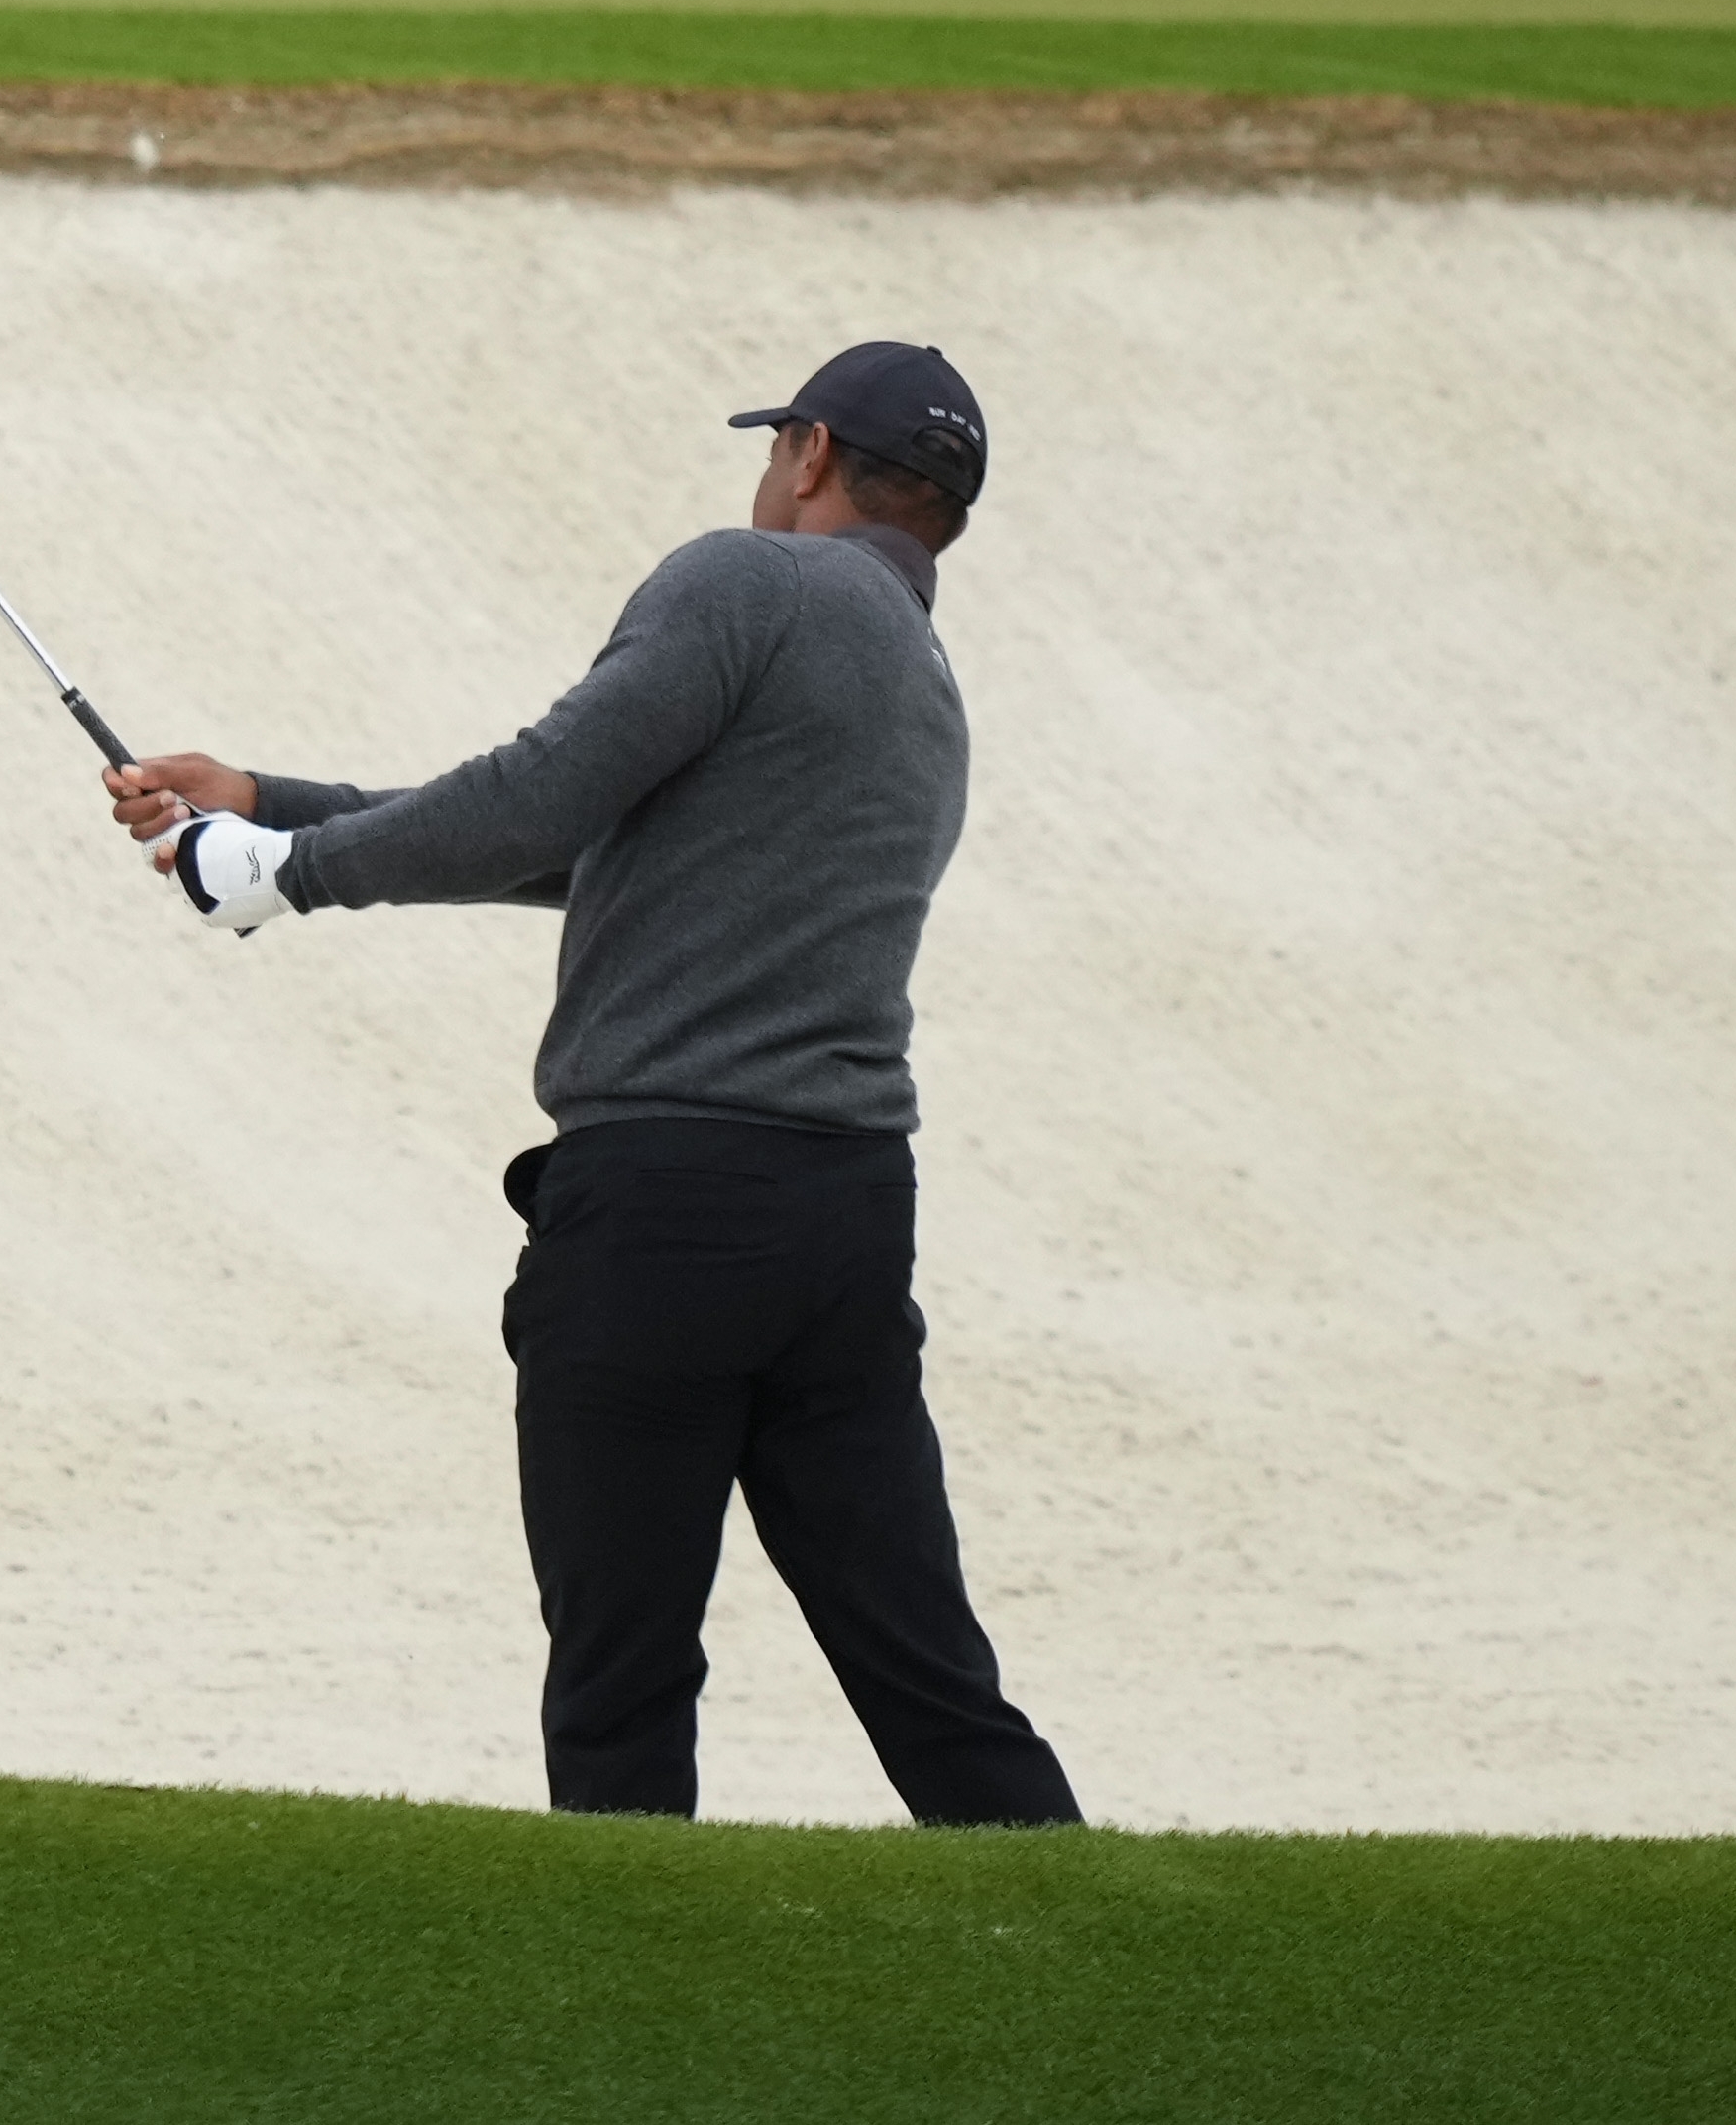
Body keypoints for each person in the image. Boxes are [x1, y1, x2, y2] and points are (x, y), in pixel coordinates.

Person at [113, 339, 1083, 1836]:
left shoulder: (746, 583)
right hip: (841, 1221)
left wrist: (282, 877)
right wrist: (274, 807)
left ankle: (633, 2034)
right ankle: (1096, 1987)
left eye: (776, 450)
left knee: (619, 1679)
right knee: (928, 1673)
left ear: (811, 451)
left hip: (661, 1216)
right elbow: (593, 848)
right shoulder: (917, 672)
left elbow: (538, 788)